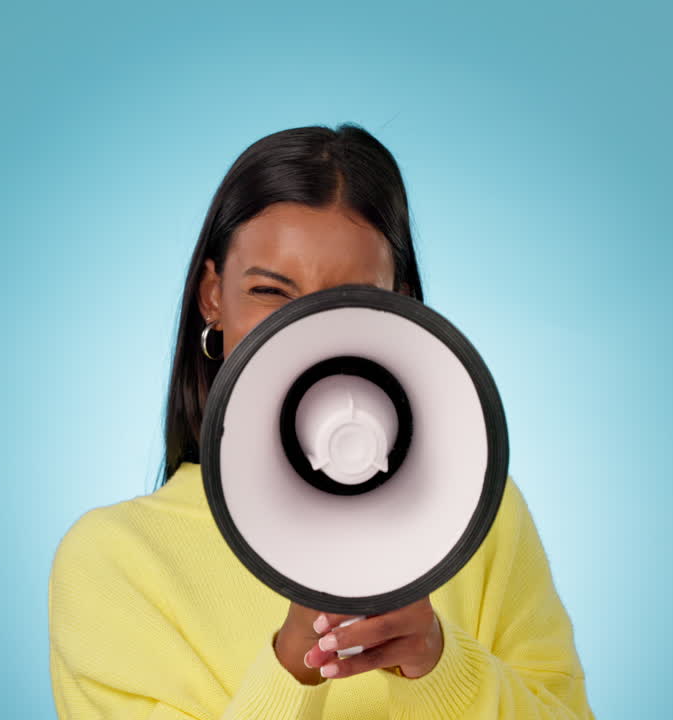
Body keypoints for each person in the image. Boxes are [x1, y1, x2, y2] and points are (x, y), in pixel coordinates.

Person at [49, 124, 595, 719]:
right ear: (213, 296)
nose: (301, 331)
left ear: (401, 304)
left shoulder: (476, 516)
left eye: (349, 298)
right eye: (270, 291)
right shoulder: (113, 563)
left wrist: (443, 666)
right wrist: (291, 666)